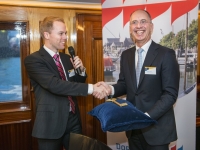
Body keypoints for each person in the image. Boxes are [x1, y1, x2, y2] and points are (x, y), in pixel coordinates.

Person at [97, 9, 180, 150]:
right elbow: (124, 84)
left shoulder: (165, 54)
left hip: (157, 129)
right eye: (134, 22)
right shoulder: (126, 55)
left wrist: (146, 117)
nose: (139, 26)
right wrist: (109, 89)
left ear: (151, 26)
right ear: (130, 28)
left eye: (143, 22)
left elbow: (170, 94)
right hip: (133, 129)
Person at [24, 16, 107, 150]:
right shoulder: (33, 60)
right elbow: (55, 85)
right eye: (61, 33)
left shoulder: (66, 58)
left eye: (66, 33)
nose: (65, 37)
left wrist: (80, 71)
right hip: (50, 123)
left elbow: (74, 83)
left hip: (73, 119)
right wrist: (92, 88)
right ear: (46, 35)